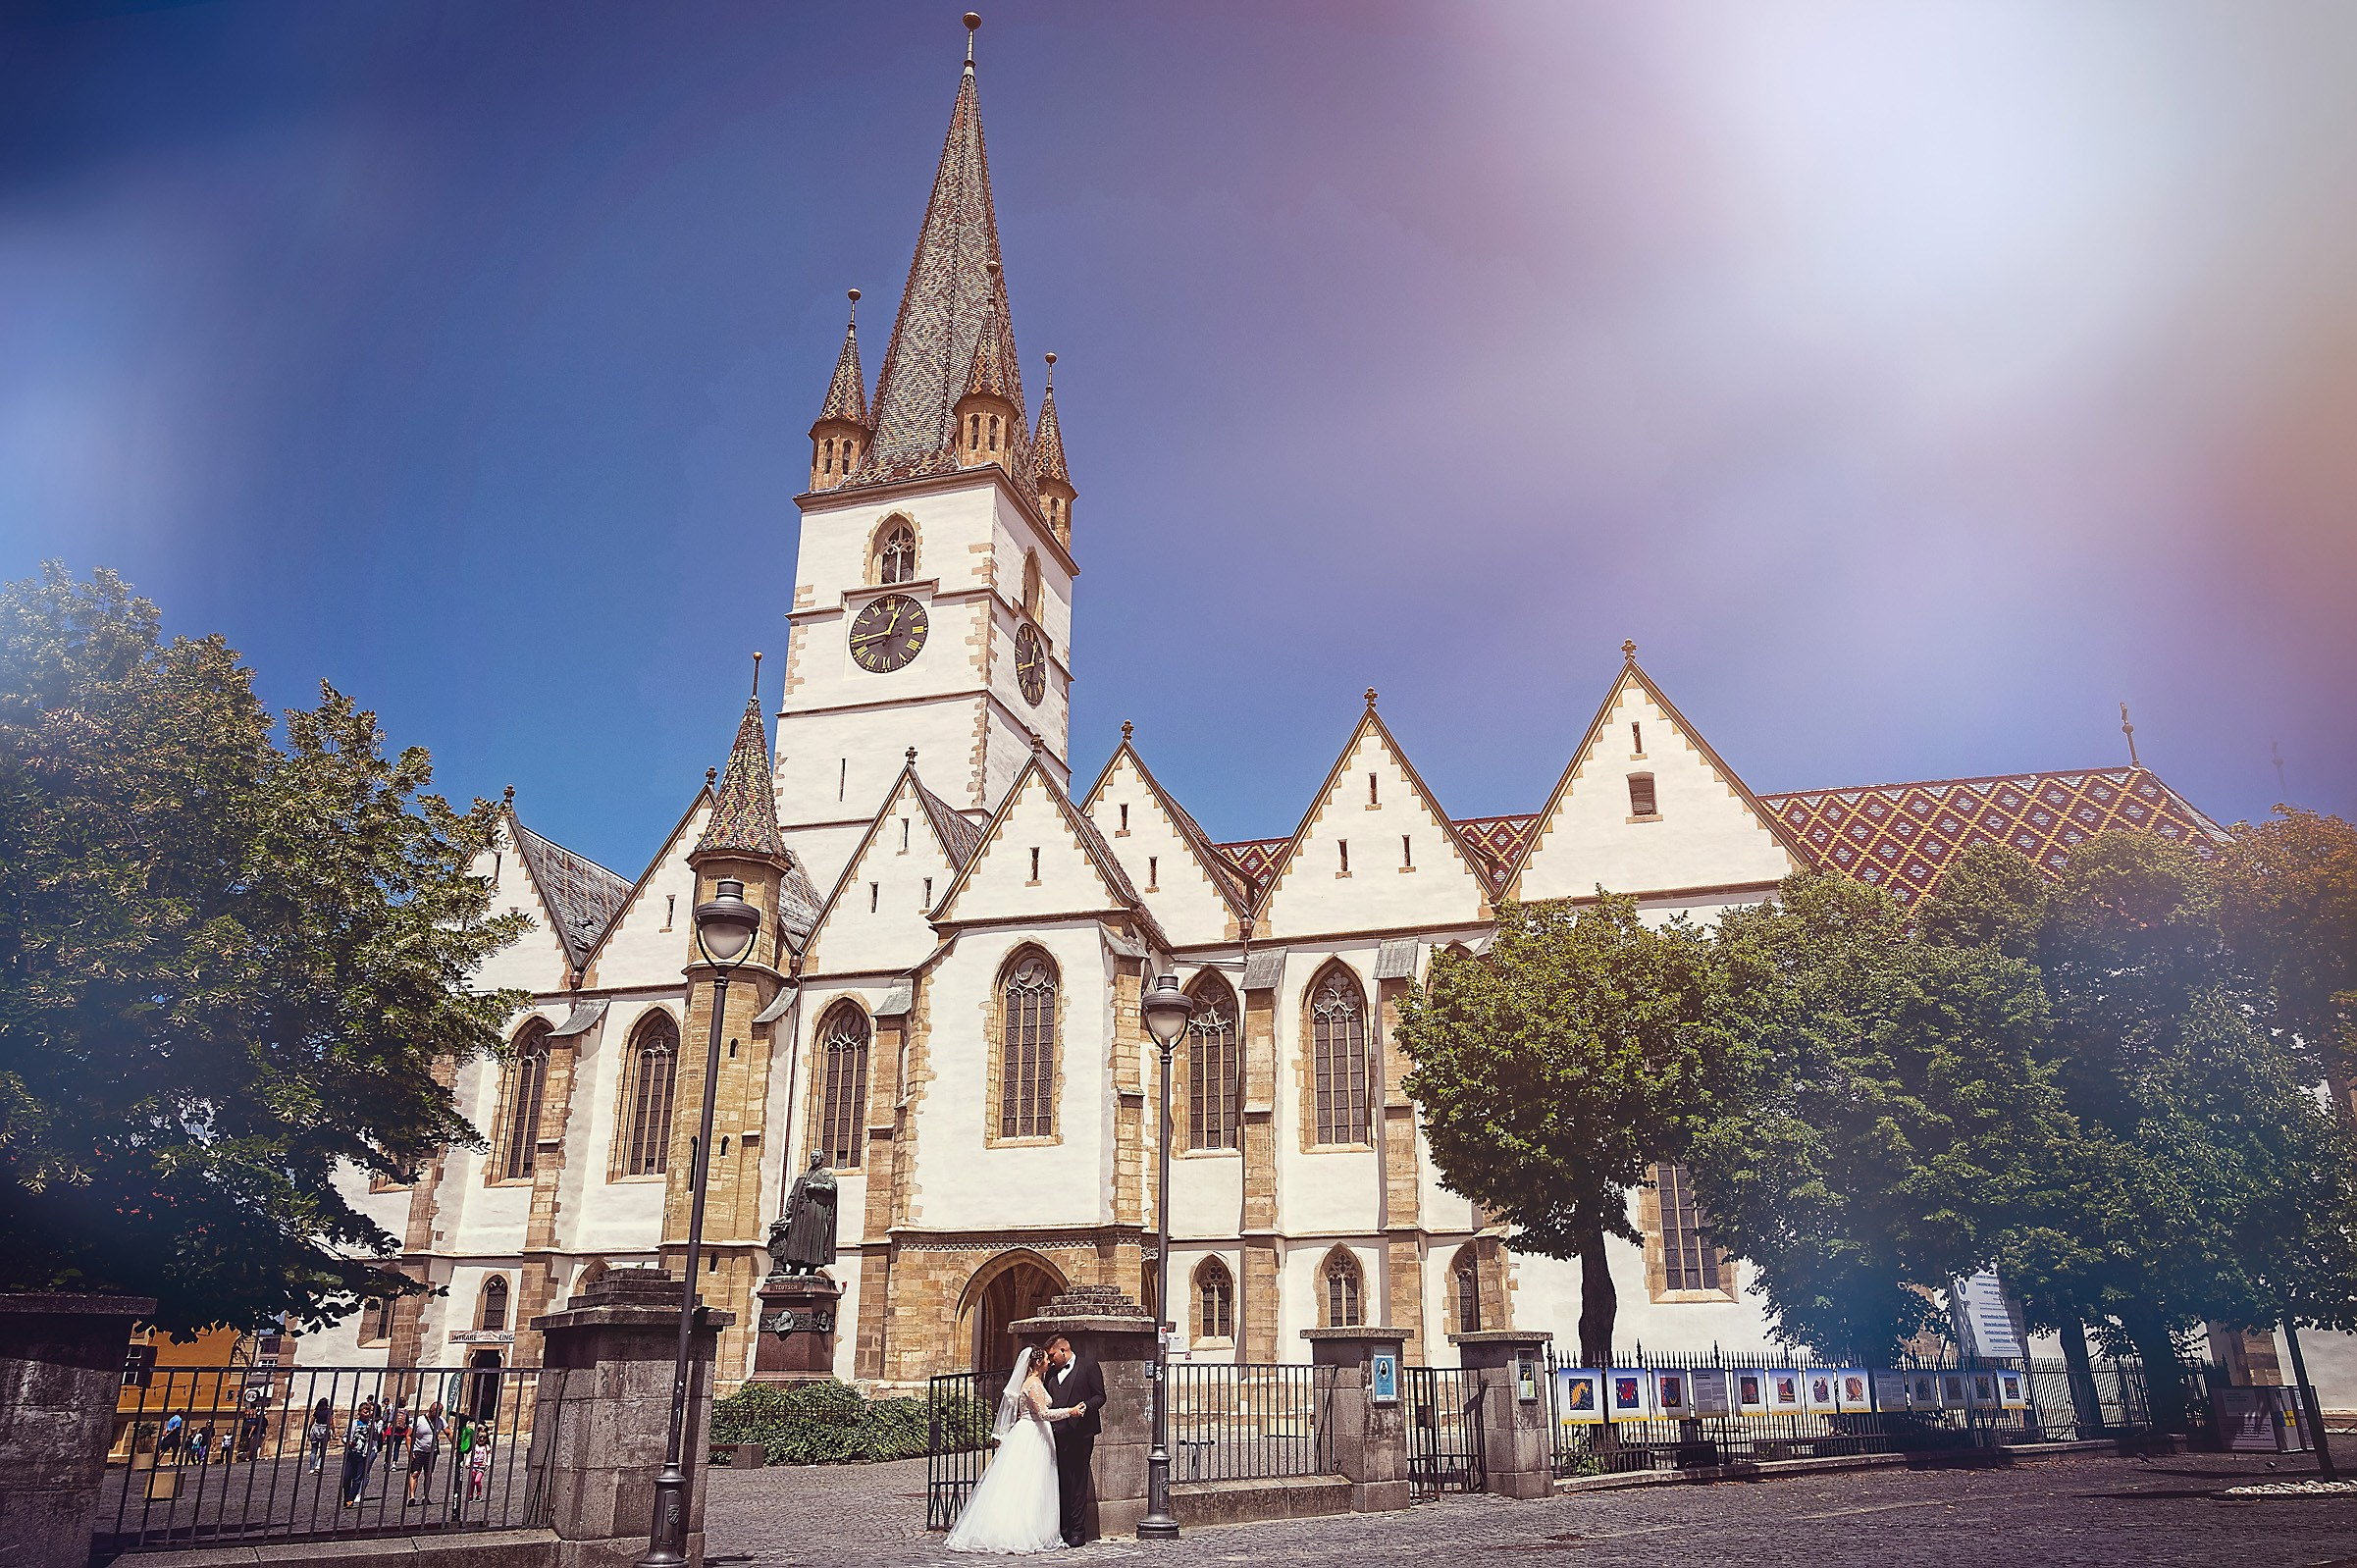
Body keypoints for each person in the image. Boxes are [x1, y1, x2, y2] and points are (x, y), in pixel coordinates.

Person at [944, 1345, 1064, 1553]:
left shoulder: (1035, 1382)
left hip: (1033, 1432)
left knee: (1032, 1483)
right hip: (1033, 1435)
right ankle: (1022, 1531)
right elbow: (1044, 1414)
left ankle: (1036, 1528)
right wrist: (1070, 1412)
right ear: (1037, 1363)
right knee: (1030, 1483)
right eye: (1045, 1359)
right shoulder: (1033, 1384)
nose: (1049, 1362)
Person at [1041, 1335, 1106, 1548]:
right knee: (1060, 1481)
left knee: (1078, 1482)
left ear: (1063, 1351)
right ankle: (1063, 1528)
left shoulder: (1088, 1366)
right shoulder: (1051, 1373)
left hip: (1080, 1434)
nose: (1050, 1361)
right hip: (1057, 1434)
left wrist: (1085, 1407)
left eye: (1052, 1355)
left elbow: (1100, 1396)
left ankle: (1078, 1531)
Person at [340, 1398, 382, 1507]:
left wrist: (372, 1429)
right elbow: (344, 1437)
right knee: (346, 1477)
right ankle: (347, 1496)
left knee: (358, 1478)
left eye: (369, 1412)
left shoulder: (371, 1424)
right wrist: (348, 1442)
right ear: (359, 1412)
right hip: (351, 1453)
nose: (368, 1414)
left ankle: (351, 1499)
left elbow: (376, 1438)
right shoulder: (353, 1424)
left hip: (363, 1454)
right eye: (365, 1412)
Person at [405, 1401, 445, 1504]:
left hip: (432, 1452)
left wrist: (456, 1446)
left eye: (440, 1412)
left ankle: (426, 1496)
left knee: (428, 1474)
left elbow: (449, 1433)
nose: (438, 1415)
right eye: (437, 1412)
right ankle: (412, 1497)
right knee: (415, 1473)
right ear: (430, 1411)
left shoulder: (441, 1421)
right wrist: (410, 1450)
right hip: (418, 1450)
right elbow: (408, 1435)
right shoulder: (418, 1420)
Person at [306, 1398, 335, 1475]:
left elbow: (311, 1422)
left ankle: (311, 1469)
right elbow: (331, 1422)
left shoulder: (317, 1411)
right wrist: (333, 1431)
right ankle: (318, 1466)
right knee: (322, 1450)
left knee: (313, 1451)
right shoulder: (329, 1411)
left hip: (316, 1430)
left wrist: (309, 1431)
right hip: (325, 1430)